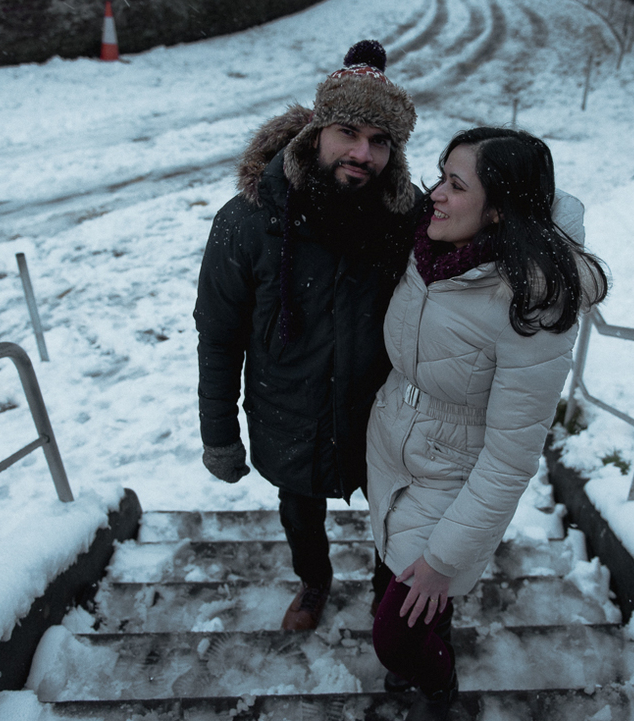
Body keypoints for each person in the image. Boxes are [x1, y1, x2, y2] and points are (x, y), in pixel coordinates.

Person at [365, 128, 609, 720]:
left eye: (455, 184)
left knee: (397, 632)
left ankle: (439, 684)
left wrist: (448, 557)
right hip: (391, 446)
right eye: (439, 176)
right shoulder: (429, 249)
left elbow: (511, 458)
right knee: (388, 575)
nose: (435, 196)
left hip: (454, 475)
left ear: (497, 209)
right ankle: (422, 652)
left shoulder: (532, 303)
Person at [194, 40, 420, 631]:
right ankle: (314, 582)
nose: (362, 152)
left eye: (379, 140)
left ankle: (386, 602)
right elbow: (218, 335)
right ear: (316, 130)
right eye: (348, 131)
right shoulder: (247, 219)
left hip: (385, 415)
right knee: (299, 509)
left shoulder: (410, 223)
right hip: (286, 409)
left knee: (396, 518)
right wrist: (219, 434)